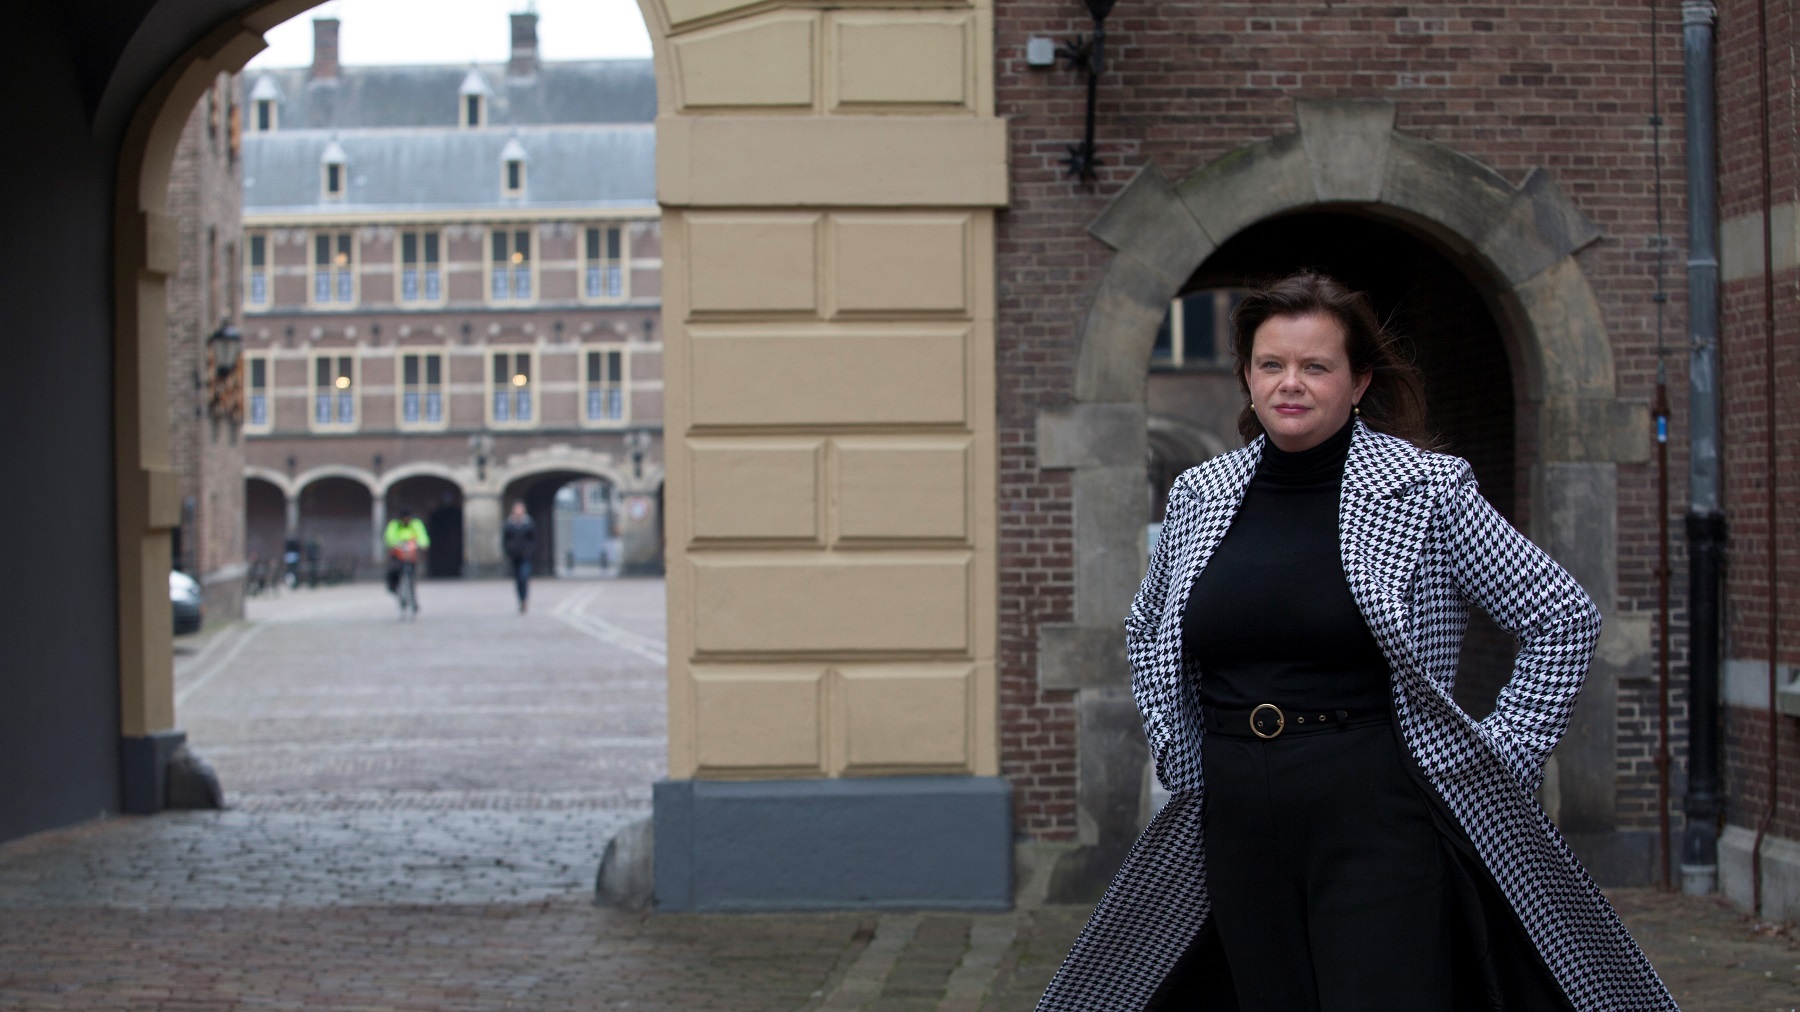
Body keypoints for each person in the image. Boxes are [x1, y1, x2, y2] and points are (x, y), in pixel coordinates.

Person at [1037, 272, 1675, 1011]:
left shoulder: (1427, 489)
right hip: (1236, 804)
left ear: (1358, 380)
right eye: (1272, 365)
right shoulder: (1200, 493)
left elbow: (1562, 614)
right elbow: (1150, 626)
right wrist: (1184, 753)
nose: (1291, 384)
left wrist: (1500, 753)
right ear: (1246, 376)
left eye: (1316, 366)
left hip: (1374, 802)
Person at [383, 508, 430, 615]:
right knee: (393, 572)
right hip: (398, 554)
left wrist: (422, 544)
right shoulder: (394, 525)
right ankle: (393, 588)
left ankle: (413, 599)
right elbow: (389, 537)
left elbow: (422, 536)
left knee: (411, 577)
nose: (405, 520)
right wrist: (394, 543)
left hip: (410, 554)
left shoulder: (415, 524)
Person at [502, 501, 536, 613]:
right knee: (518, 580)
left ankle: (524, 599)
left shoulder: (529, 523)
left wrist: (530, 551)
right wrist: (508, 551)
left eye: (520, 509)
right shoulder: (509, 524)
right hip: (514, 556)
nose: (518, 512)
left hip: (526, 556)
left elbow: (534, 539)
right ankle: (521, 600)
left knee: (524, 577)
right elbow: (505, 540)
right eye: (516, 509)